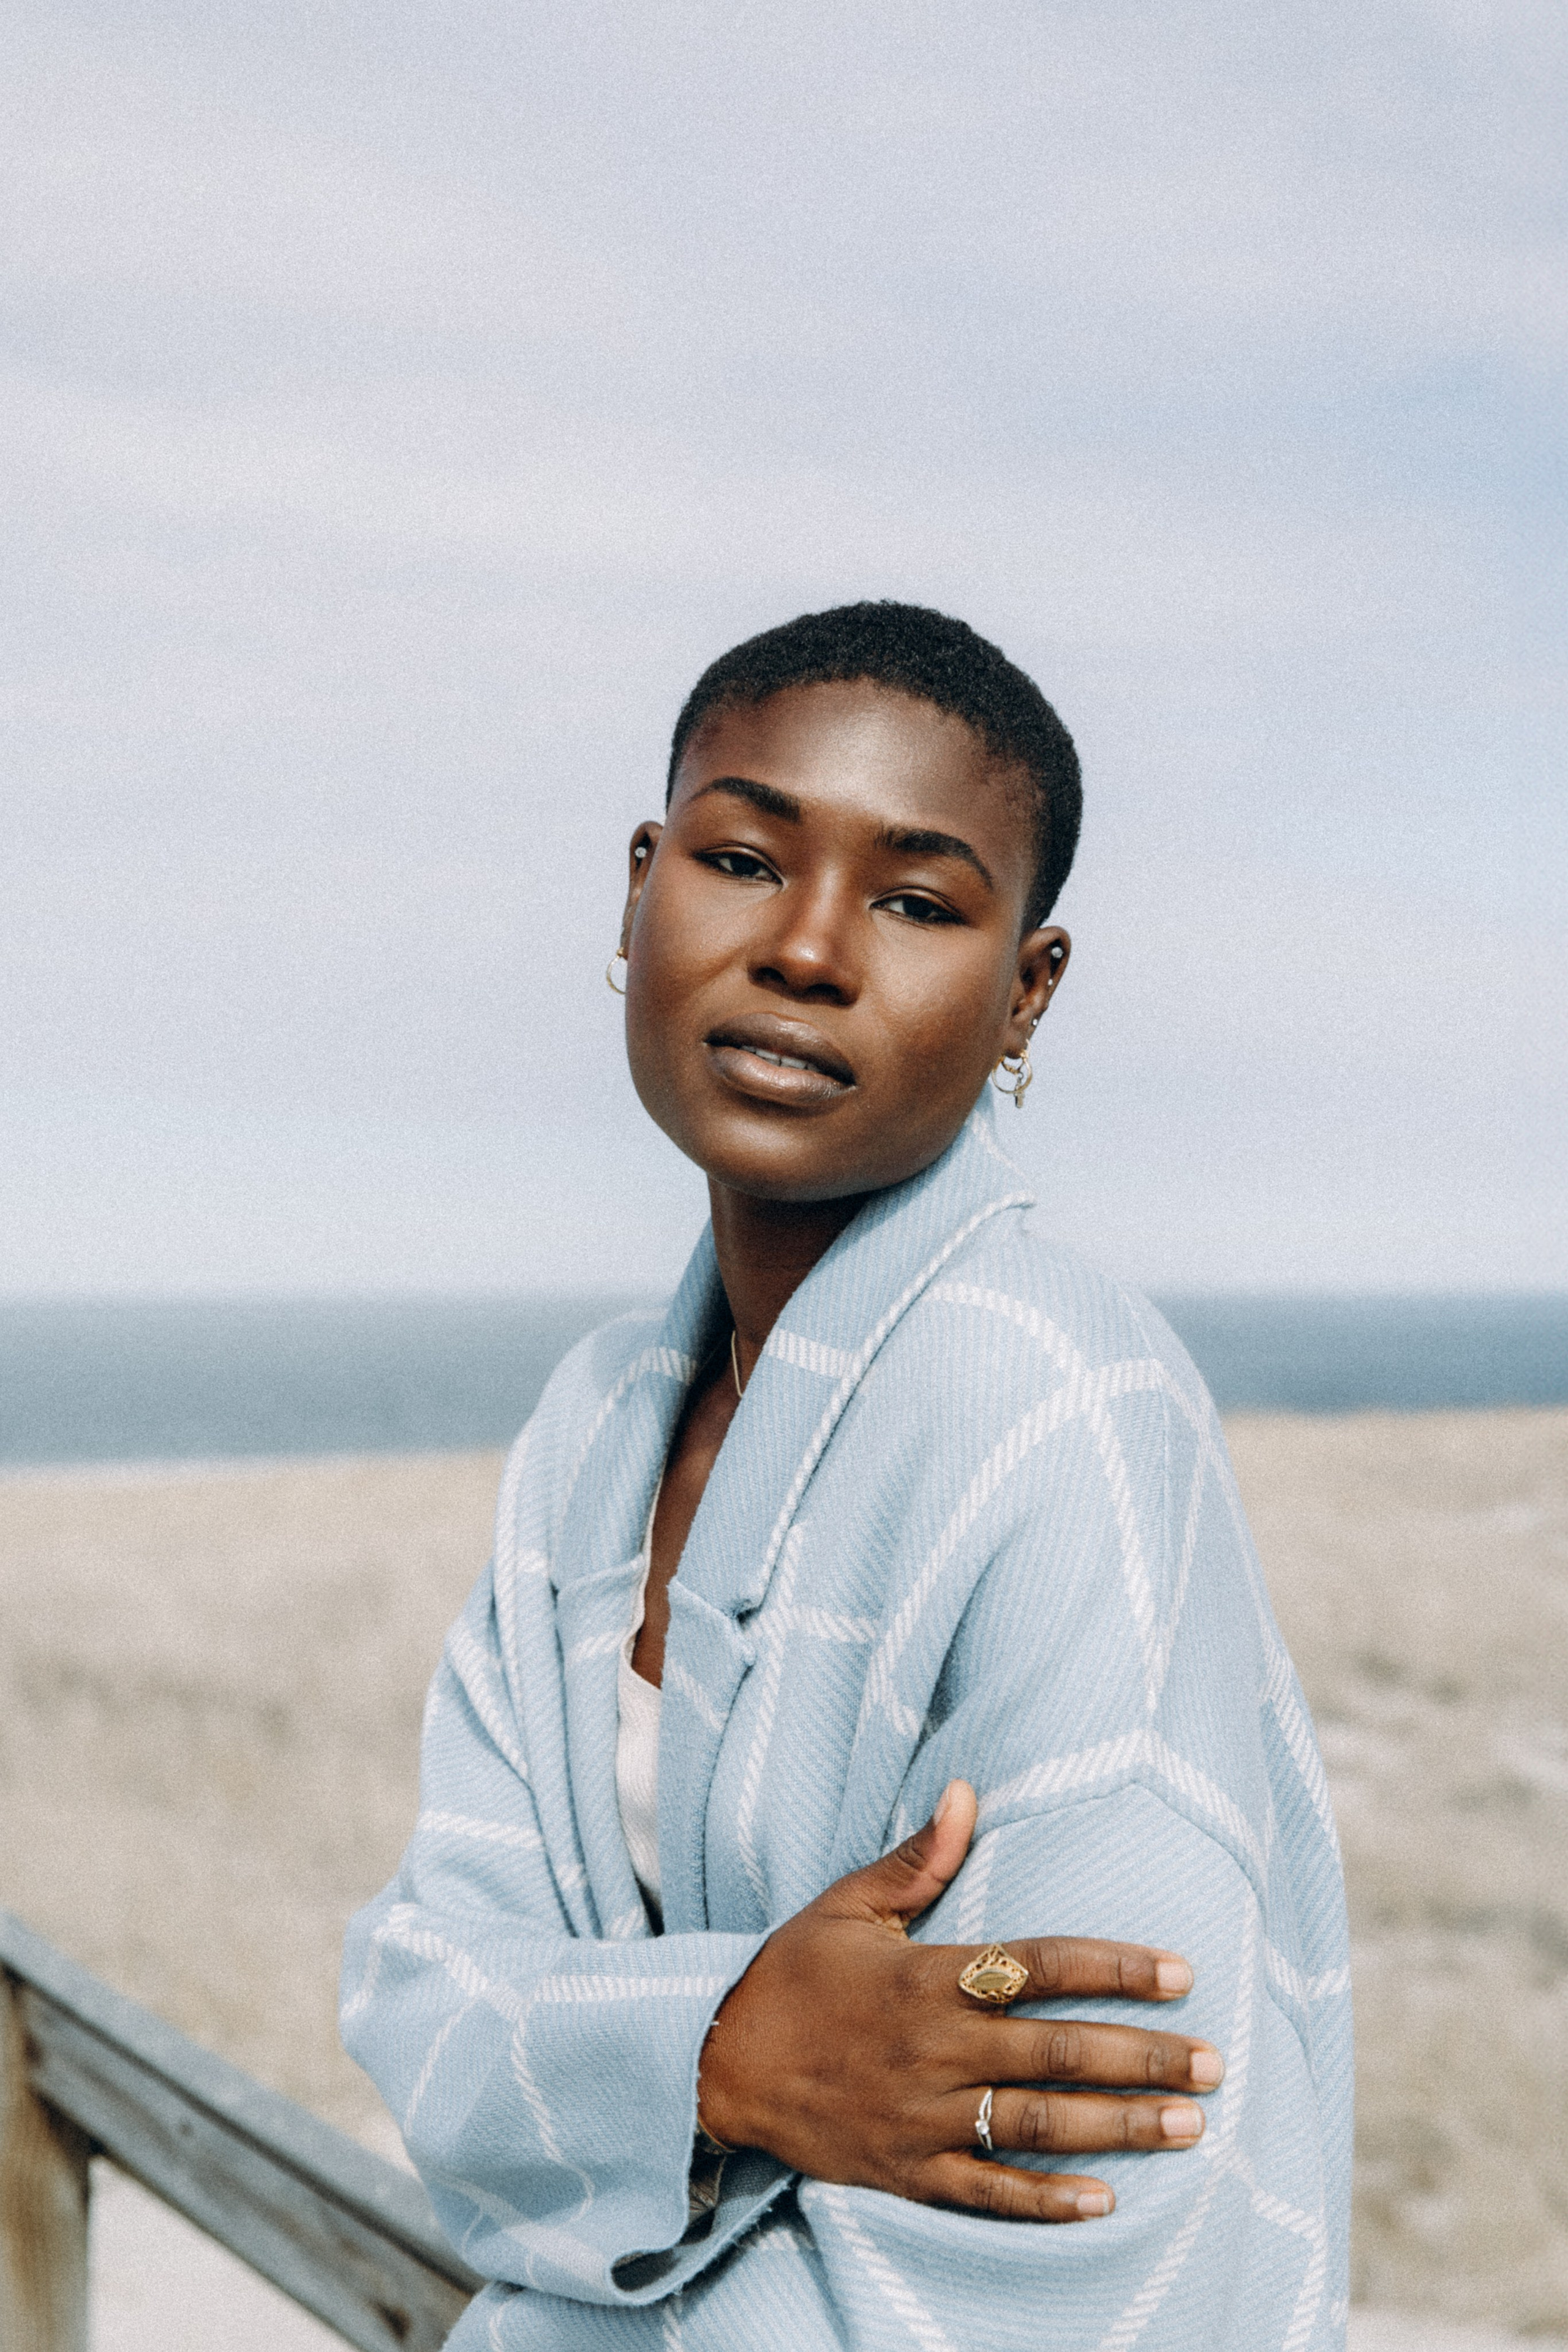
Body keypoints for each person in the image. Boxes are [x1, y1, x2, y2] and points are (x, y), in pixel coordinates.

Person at [341, 602, 1351, 2350]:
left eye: (916, 901)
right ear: (641, 890)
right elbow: (427, 2010)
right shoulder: (592, 1430)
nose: (807, 951)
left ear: (1025, 988)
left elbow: (1104, 2188)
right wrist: (731, 2048)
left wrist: (629, 2089)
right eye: (741, 859)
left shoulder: (1063, 1415)